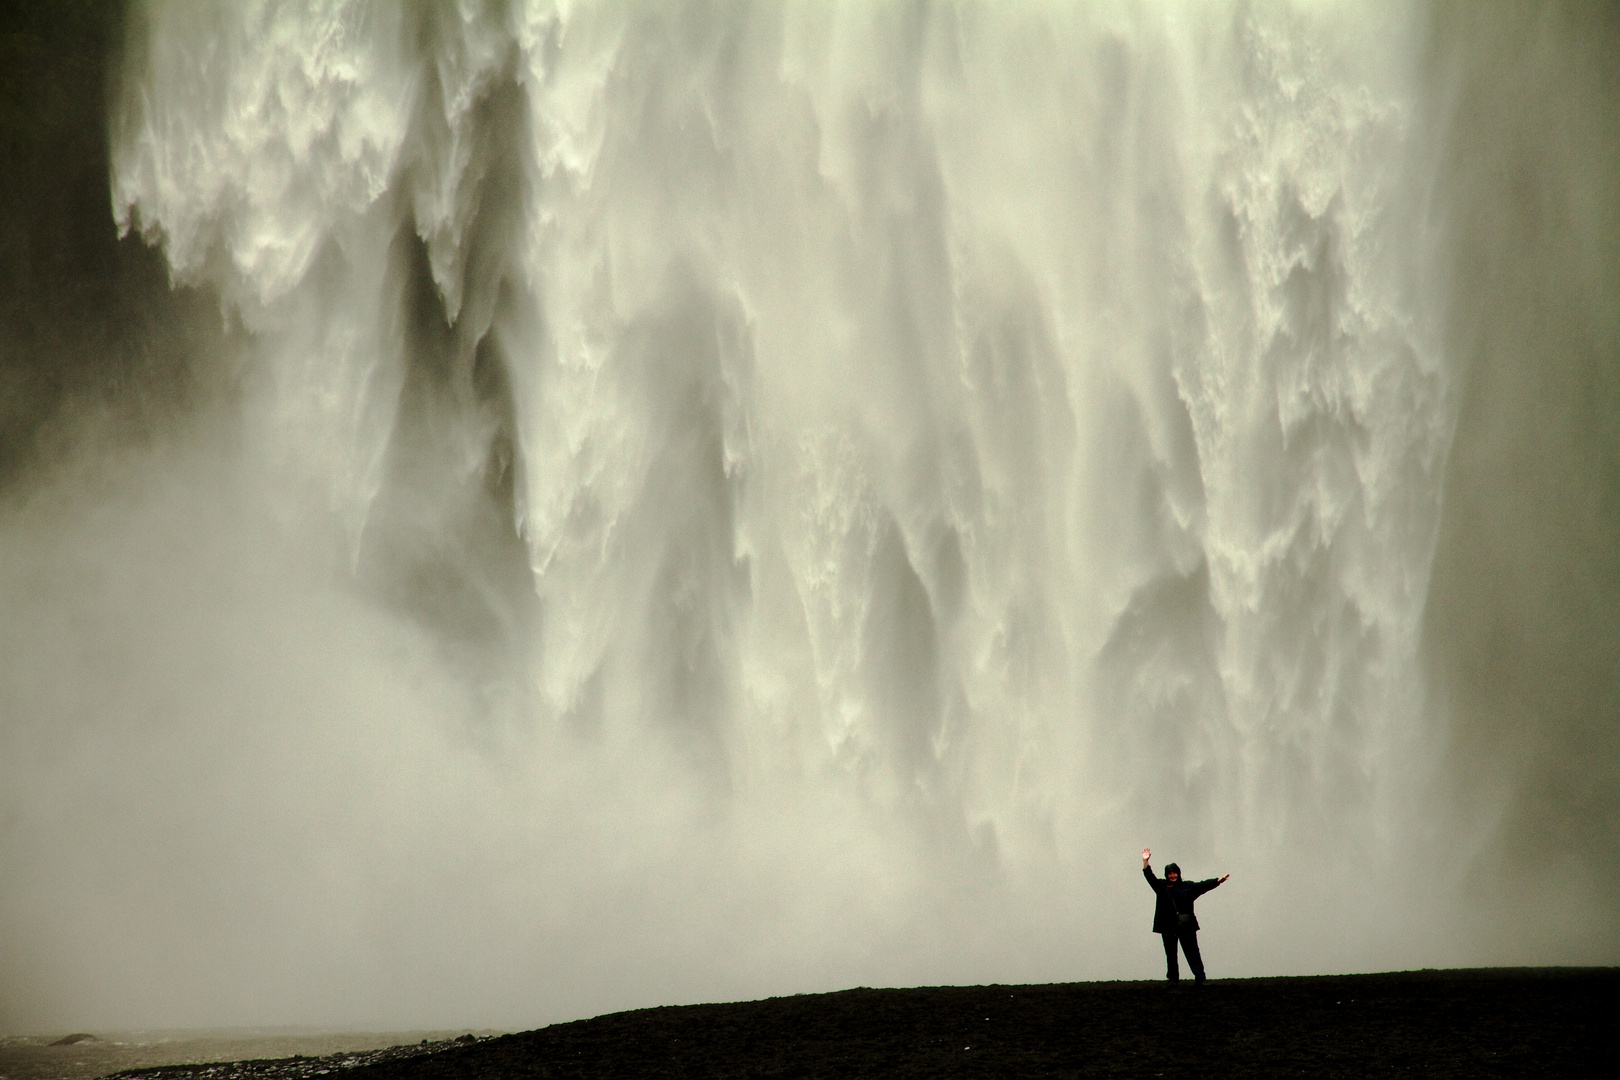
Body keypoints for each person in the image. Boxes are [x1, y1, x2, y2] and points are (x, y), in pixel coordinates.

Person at [1141, 846, 1228, 983]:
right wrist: (1145, 862)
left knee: (1193, 953)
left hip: (1186, 926)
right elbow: (1149, 877)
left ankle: (1200, 978)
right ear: (1166, 875)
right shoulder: (1162, 886)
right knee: (1171, 954)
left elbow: (1203, 886)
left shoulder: (1188, 886)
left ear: (1178, 873)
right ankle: (1173, 980)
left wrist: (1218, 881)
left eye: (1174, 873)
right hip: (1168, 926)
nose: (1172, 876)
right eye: (1169, 874)